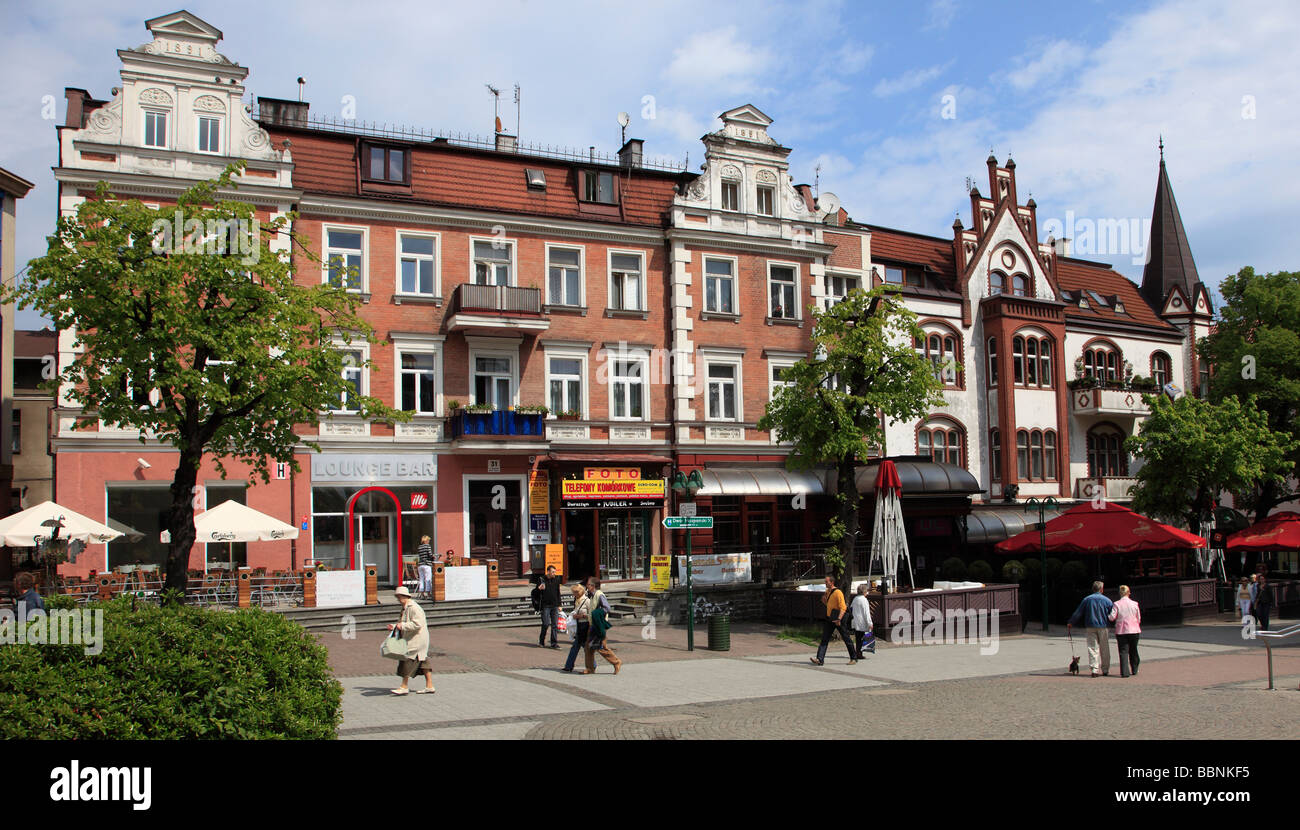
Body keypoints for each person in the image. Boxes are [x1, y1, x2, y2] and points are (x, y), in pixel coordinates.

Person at [387, 586, 433, 695]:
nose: (398, 599)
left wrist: (400, 626)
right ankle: (429, 686)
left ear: (404, 596)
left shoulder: (413, 608)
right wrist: (394, 626)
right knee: (422, 661)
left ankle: (404, 686)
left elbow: (417, 624)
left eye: (399, 597)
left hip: (416, 639)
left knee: (406, 659)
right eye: (397, 597)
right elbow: (403, 622)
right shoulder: (406, 607)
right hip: (416, 638)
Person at [1067, 581, 1116, 677]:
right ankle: (1105, 669)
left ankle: (1094, 669)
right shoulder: (1107, 600)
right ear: (1101, 589)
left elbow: (1079, 612)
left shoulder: (1087, 599)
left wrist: (1071, 622)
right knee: (1104, 648)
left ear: (1093, 589)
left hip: (1090, 625)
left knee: (1092, 648)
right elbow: (1113, 613)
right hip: (1103, 626)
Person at [811, 575, 856, 666]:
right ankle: (820, 659)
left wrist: (839, 618)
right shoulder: (828, 591)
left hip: (838, 618)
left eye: (826, 582)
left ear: (832, 582)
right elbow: (827, 604)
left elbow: (843, 607)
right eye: (825, 581)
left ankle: (853, 657)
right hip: (829, 618)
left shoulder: (838, 592)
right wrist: (824, 599)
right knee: (824, 639)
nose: (825, 583)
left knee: (846, 637)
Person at [584, 576, 621, 674]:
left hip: (598, 625)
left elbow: (607, 608)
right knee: (588, 647)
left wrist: (597, 614)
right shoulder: (592, 595)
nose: (586, 586)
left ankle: (616, 662)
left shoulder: (599, 595)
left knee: (600, 647)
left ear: (592, 586)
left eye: (588, 584)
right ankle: (590, 668)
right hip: (593, 624)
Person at [1109, 585, 1141, 677]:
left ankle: (1125, 672)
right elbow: (1138, 618)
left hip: (1121, 631)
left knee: (1123, 651)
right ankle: (1134, 668)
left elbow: (1112, 617)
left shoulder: (1117, 604)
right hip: (1134, 630)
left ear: (1120, 593)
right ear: (1128, 593)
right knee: (1133, 649)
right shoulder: (1135, 604)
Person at [563, 583, 590, 673]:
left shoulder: (587, 601)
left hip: (585, 626)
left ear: (580, 592)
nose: (574, 594)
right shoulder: (576, 600)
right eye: (573, 592)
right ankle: (568, 666)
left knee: (582, 647)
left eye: (575, 592)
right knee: (577, 646)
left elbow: (592, 615)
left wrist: (580, 616)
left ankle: (592, 665)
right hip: (578, 626)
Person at [535, 565, 562, 648]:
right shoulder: (541, 580)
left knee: (555, 625)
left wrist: (559, 604)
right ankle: (541, 641)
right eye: (553, 572)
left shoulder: (556, 580)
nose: (554, 573)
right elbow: (535, 593)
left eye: (555, 572)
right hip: (545, 605)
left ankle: (554, 643)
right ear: (548, 572)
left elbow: (558, 593)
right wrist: (538, 589)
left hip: (554, 605)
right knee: (546, 624)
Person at [849, 582, 875, 658]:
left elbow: (851, 608)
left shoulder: (855, 599)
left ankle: (858, 652)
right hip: (863, 622)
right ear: (864, 591)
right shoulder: (864, 600)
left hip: (856, 621)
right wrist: (870, 623)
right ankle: (860, 653)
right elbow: (867, 613)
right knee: (862, 638)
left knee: (858, 638)